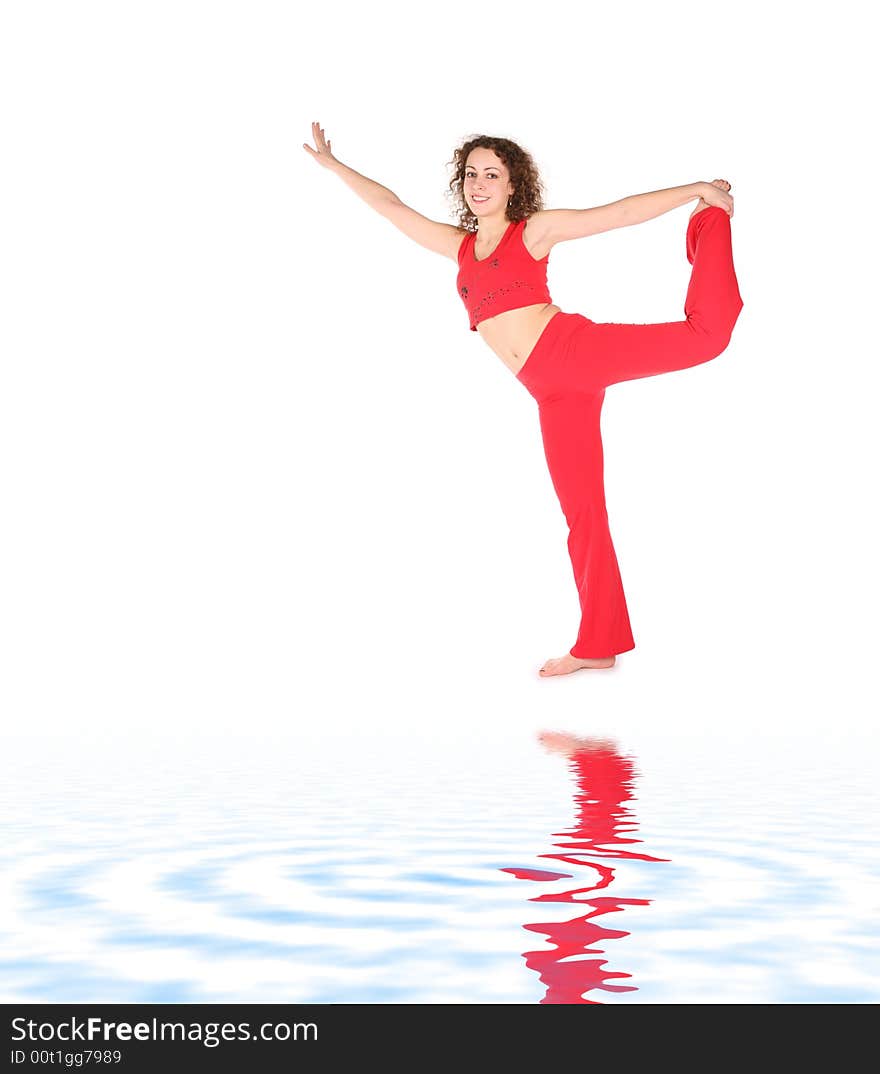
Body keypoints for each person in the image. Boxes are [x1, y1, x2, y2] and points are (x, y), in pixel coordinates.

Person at [303, 124, 744, 677]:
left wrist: (697, 192)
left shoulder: (532, 232)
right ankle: (597, 644)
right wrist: (335, 166)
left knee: (707, 336)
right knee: (583, 513)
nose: (479, 184)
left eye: (493, 175)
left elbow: (620, 213)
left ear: (513, 186)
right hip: (552, 393)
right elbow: (390, 207)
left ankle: (712, 223)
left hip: (575, 351)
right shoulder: (460, 247)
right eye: (471, 174)